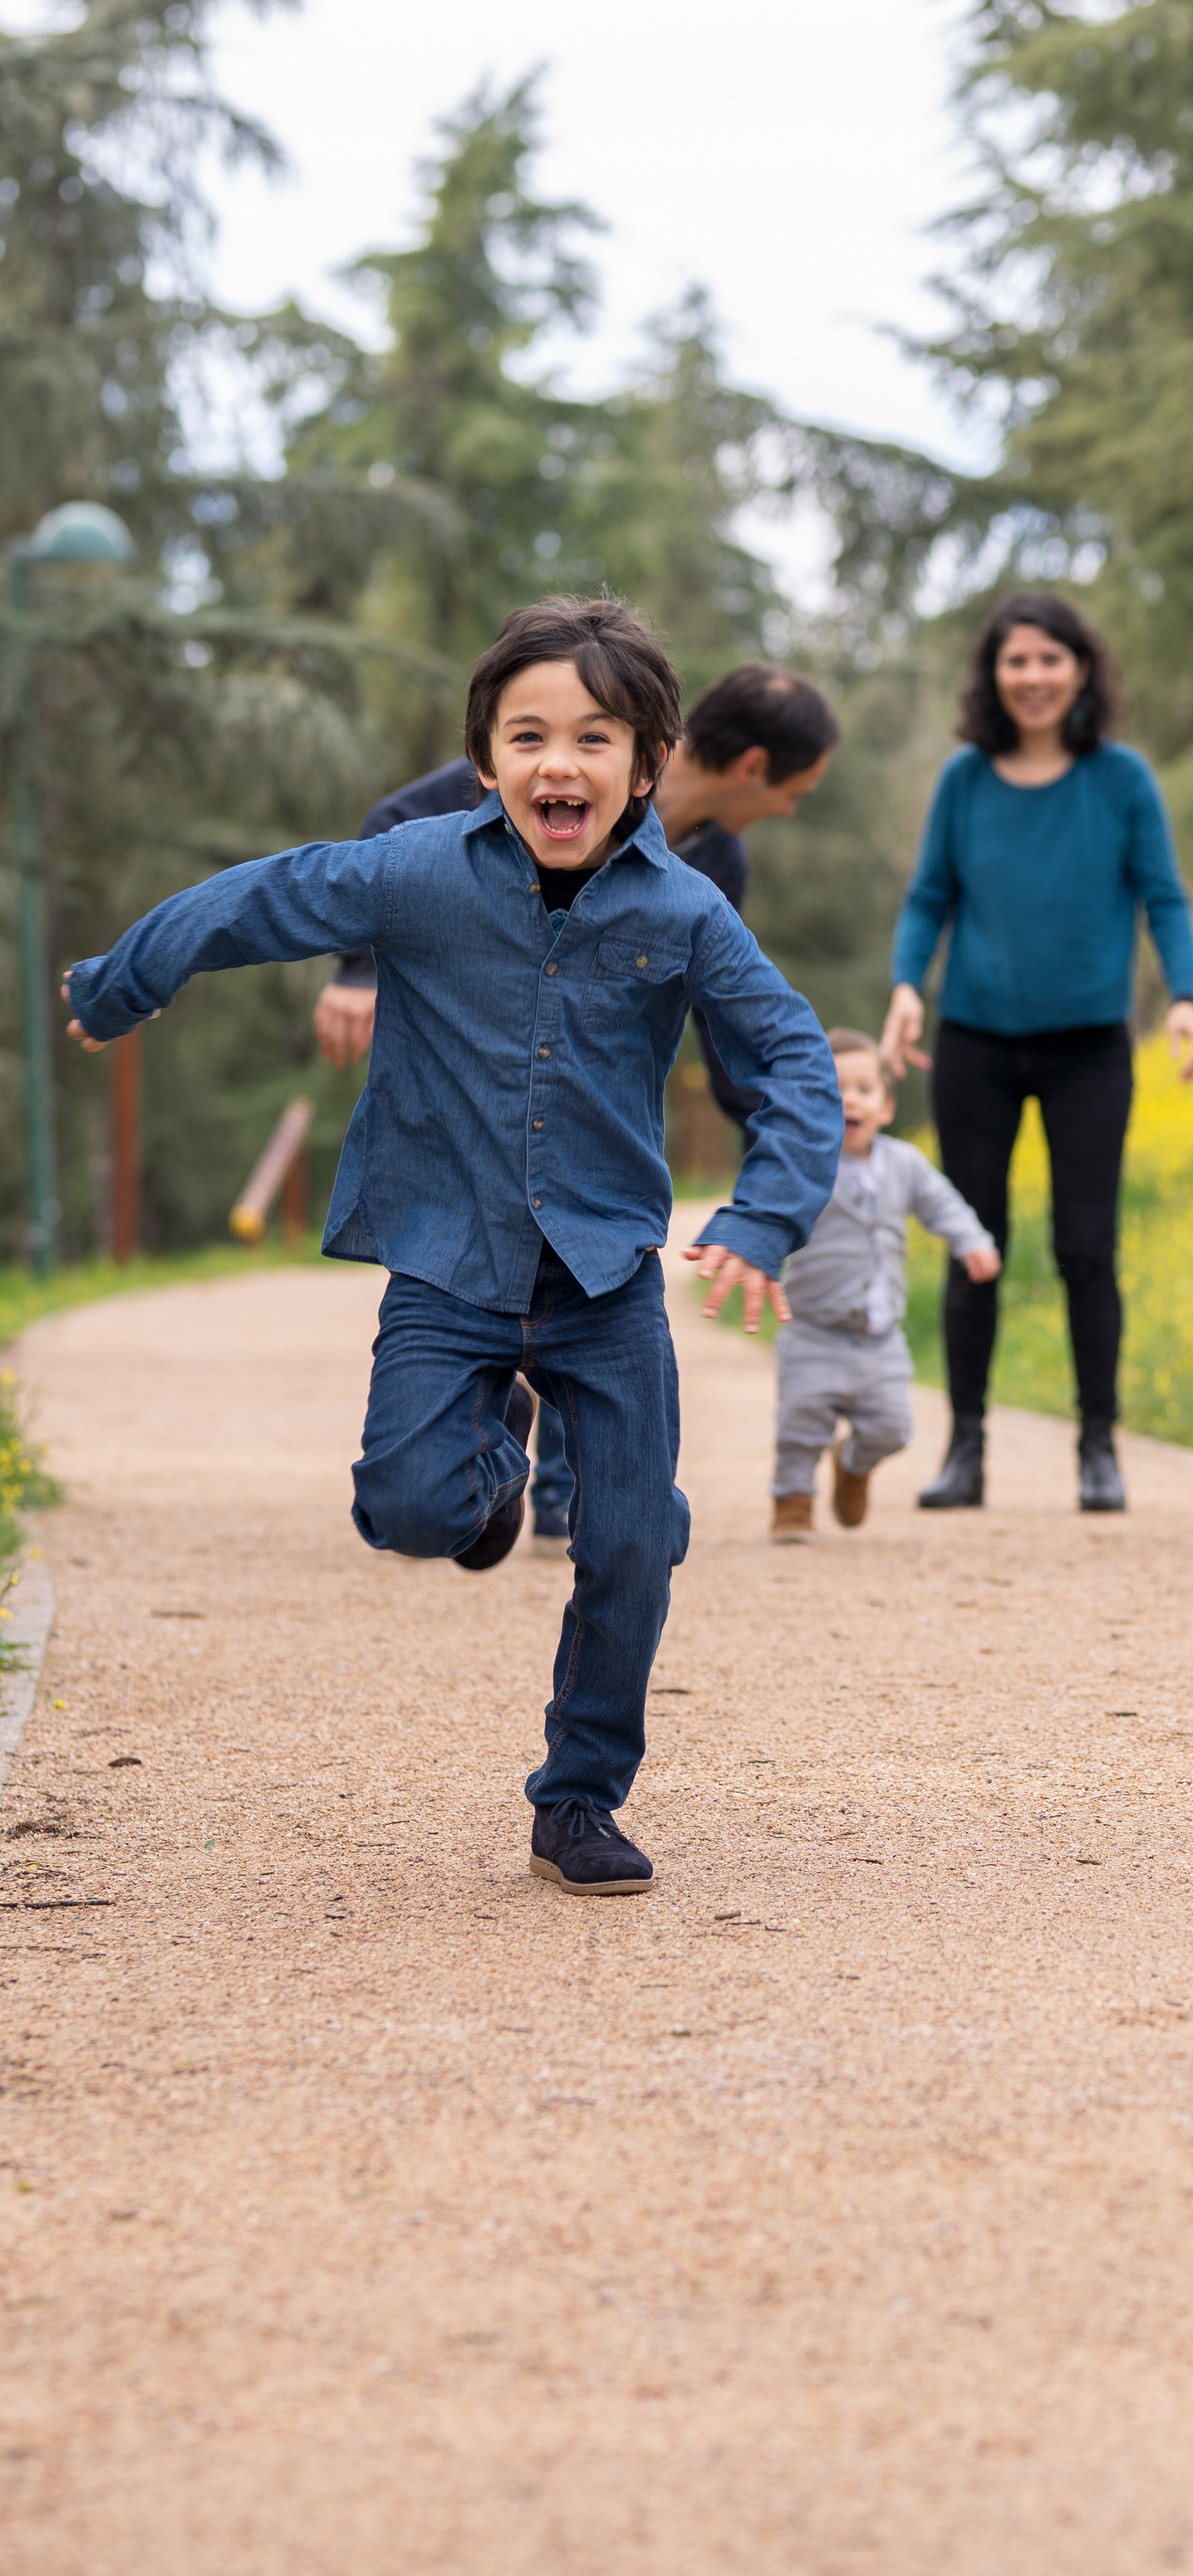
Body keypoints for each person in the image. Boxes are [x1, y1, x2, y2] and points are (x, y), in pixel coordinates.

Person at [63, 596, 842, 1901]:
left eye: (594, 737)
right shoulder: (414, 872)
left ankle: (579, 1795)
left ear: (648, 763)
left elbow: (793, 1059)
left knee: (634, 1539)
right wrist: (124, 979)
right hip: (449, 1262)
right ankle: (490, 1481)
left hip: (601, 1282)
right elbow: (257, 899)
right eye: (526, 734)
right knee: (407, 1506)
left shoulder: (691, 909)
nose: (559, 762)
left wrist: (765, 1211)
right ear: (484, 758)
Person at [313, 663, 840, 1543]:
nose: (789, 810)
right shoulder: (567, 767)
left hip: (600, 1094)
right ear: (753, 765)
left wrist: (776, 1167)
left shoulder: (713, 861)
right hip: (476, 1069)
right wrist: (360, 968)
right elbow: (395, 830)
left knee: (594, 1256)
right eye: (795, 791)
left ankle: (568, 1490)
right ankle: (498, 1451)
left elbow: (732, 1034)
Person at [881, 589, 1193, 1518]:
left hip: (1088, 1049)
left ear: (1080, 670)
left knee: (1085, 1247)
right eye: (1015, 660)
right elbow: (927, 897)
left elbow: (1165, 896)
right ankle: (965, 1447)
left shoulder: (1121, 779)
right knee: (972, 1243)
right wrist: (909, 983)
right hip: (976, 1041)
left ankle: (1098, 1445)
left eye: (1049, 659)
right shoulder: (965, 780)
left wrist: (1185, 996)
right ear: (994, 674)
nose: (1032, 677)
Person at [769, 1027, 1000, 1540]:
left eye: (863, 1090)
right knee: (800, 1425)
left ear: (886, 1107)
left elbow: (943, 1204)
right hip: (813, 1331)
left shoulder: (906, 1164)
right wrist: (753, 1252)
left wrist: (973, 1242)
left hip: (881, 1335)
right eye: (835, 1089)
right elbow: (766, 1213)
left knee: (894, 1425)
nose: (850, 1099)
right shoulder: (802, 1165)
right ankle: (793, 1501)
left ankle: (853, 1464)